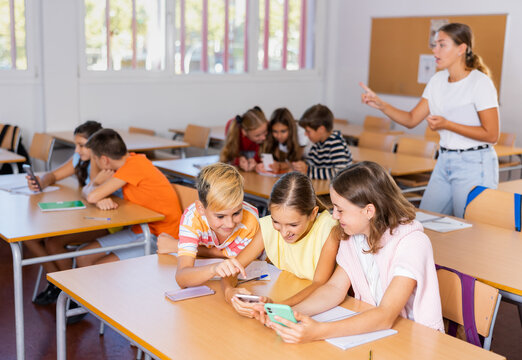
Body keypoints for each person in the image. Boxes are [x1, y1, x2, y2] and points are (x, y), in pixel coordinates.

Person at [259, 161, 444, 343]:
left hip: (413, 338)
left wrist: (318, 331)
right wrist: (292, 314)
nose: (334, 216)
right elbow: (334, 289)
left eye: (340, 210)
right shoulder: (353, 237)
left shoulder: (412, 243)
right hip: (375, 330)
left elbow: (386, 315)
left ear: (368, 211)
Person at [360, 22, 499, 218]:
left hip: (474, 163)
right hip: (445, 160)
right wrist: (381, 104)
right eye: (434, 45)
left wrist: (447, 124)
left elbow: (491, 135)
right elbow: (411, 119)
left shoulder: (479, 83)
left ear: (461, 48)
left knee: (471, 226)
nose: (435, 50)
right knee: (425, 220)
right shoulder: (437, 81)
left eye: (442, 45)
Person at [217, 172, 339, 318]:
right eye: (276, 222)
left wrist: (277, 306)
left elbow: (319, 284)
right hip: (290, 292)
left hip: (320, 306)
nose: (284, 232)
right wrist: (229, 292)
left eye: (293, 224)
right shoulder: (268, 227)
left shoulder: (329, 231)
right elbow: (233, 267)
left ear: (313, 214)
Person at [24, 121, 114, 305]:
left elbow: (90, 191)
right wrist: (41, 182)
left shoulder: (105, 164)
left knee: (54, 243)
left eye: (82, 145)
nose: (77, 150)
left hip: (107, 221)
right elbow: (54, 175)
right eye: (76, 145)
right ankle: (58, 284)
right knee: (30, 237)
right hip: (84, 217)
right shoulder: (80, 159)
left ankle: (72, 292)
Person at [75, 129, 182, 267]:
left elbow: (91, 196)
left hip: (162, 238)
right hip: (141, 229)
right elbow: (91, 195)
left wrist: (95, 184)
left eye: (95, 160)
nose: (95, 163)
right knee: (83, 256)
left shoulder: (134, 165)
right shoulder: (128, 161)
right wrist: (97, 193)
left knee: (101, 266)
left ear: (104, 160)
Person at [159, 163, 260, 288]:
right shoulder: (192, 218)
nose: (230, 223)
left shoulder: (250, 221)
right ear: (201, 208)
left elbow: (235, 261)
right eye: (220, 216)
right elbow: (182, 278)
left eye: (236, 213)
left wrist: (176, 245)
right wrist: (213, 269)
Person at [292, 104, 352, 180]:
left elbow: (340, 173)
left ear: (321, 129)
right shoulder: (317, 144)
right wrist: (301, 167)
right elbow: (310, 164)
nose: (305, 134)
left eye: (308, 131)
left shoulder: (336, 143)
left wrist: (308, 170)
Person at [257, 108, 306, 173]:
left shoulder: (302, 133)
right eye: (275, 131)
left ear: (291, 129)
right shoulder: (273, 140)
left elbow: (297, 163)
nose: (279, 136)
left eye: (283, 131)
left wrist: (280, 165)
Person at [220, 106, 268, 172]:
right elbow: (227, 157)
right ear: (244, 132)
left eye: (265, 132)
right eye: (257, 135)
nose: (264, 137)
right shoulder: (233, 128)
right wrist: (237, 161)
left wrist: (257, 164)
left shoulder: (266, 126)